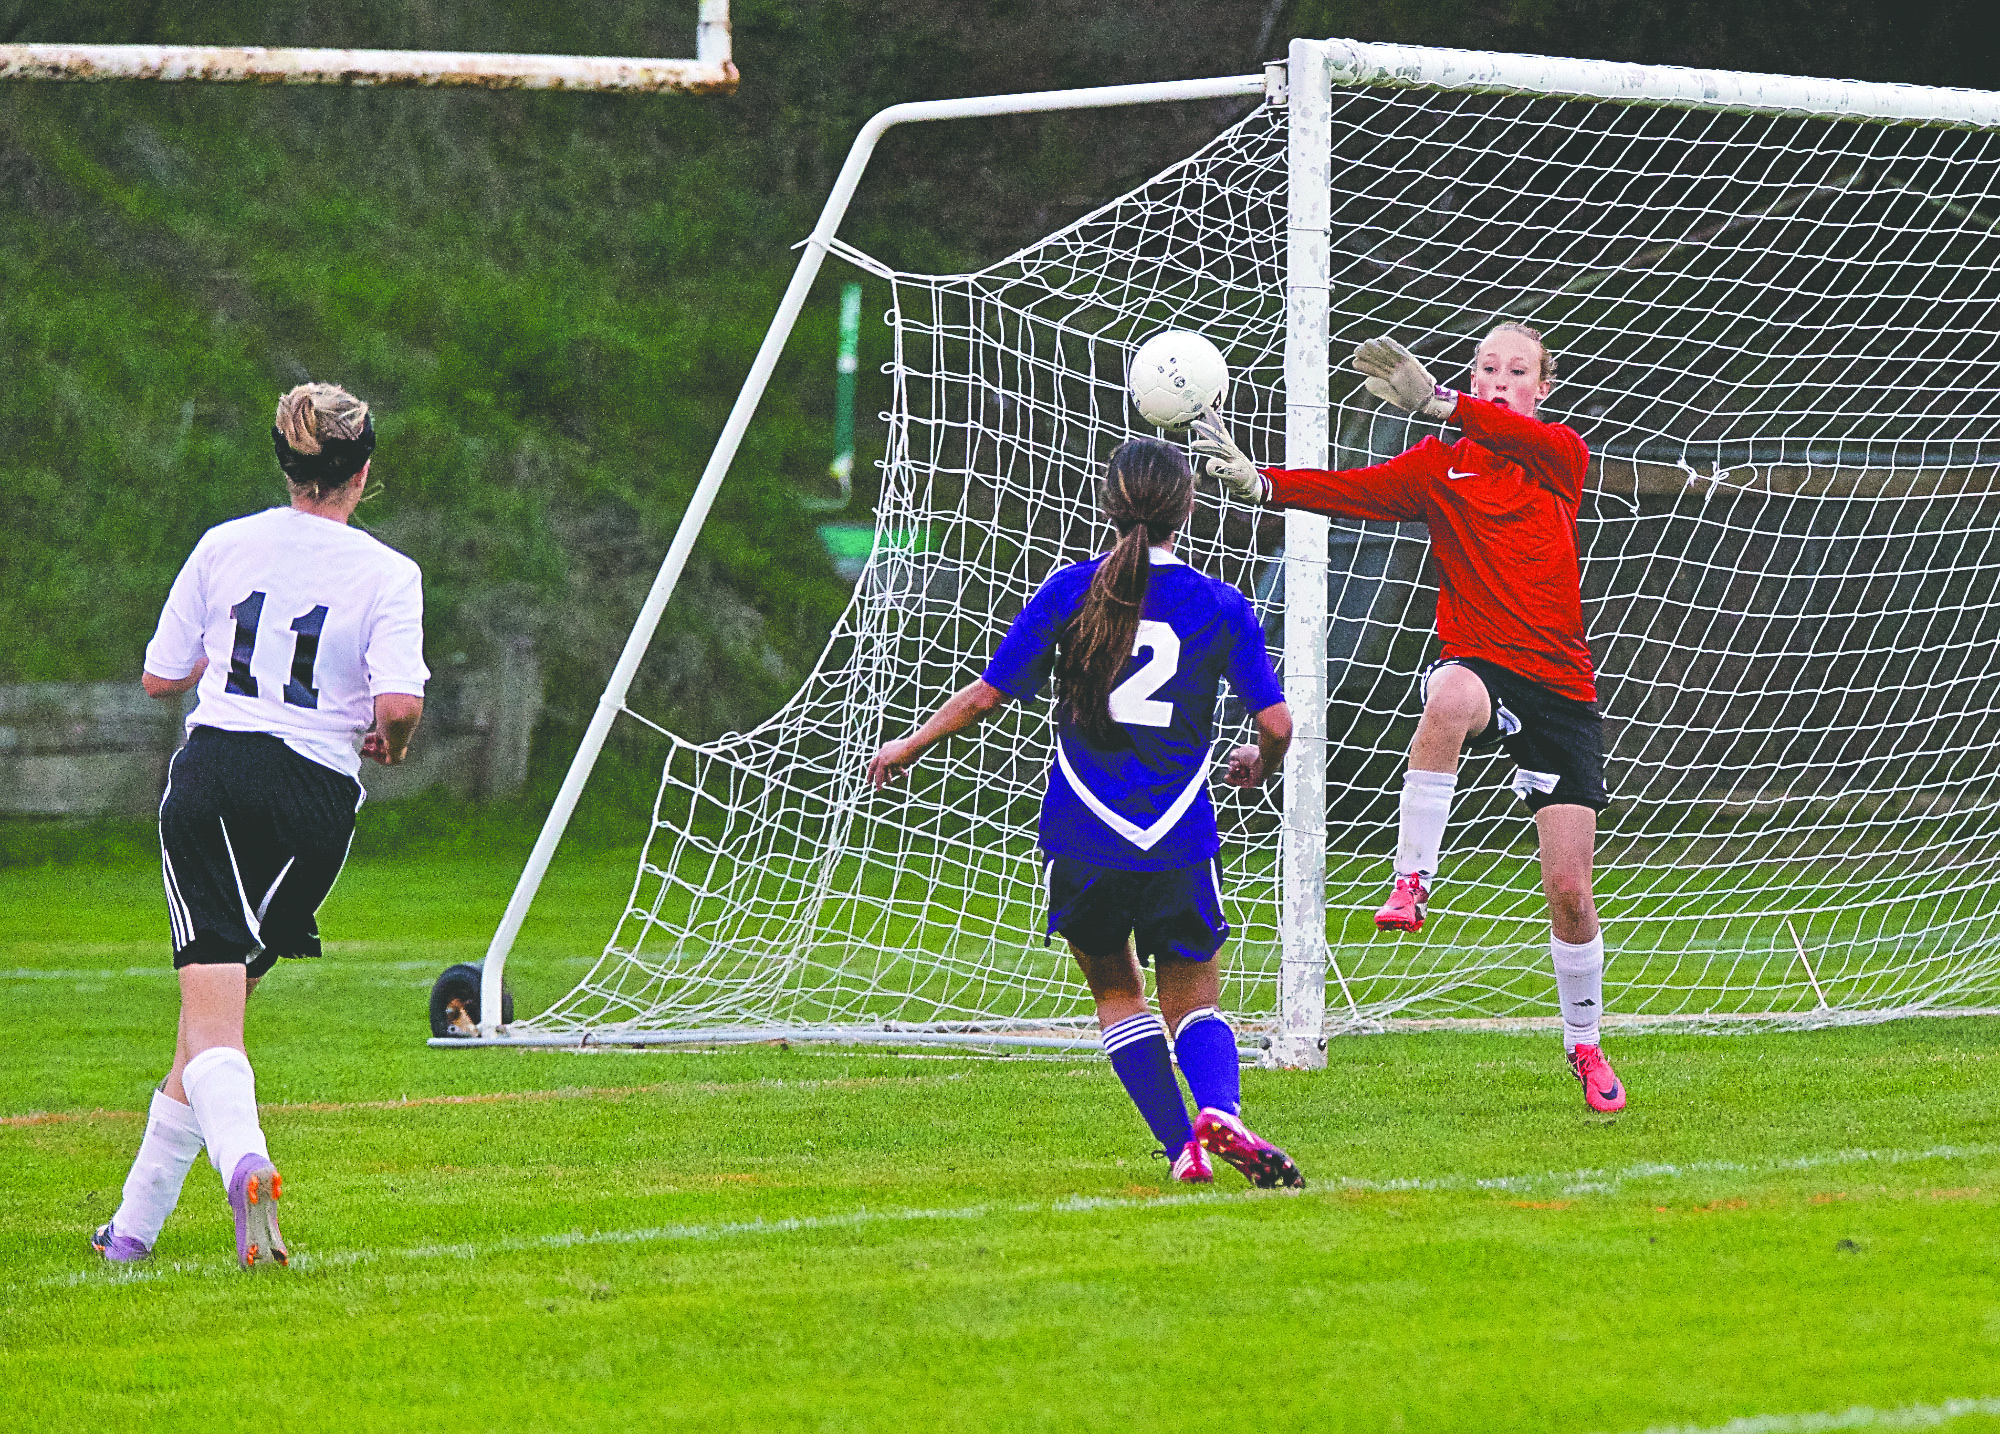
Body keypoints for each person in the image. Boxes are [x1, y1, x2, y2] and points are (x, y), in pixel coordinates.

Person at [1190, 325, 1627, 1114]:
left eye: (1516, 370)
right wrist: (1266, 485)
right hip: (1482, 668)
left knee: (1569, 889)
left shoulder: (1558, 452)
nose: (1499, 380)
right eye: (1486, 367)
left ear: (1542, 388)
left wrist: (1444, 401)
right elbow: (1350, 490)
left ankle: (1584, 1042)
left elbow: (1505, 432)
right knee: (1450, 693)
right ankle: (1410, 881)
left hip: (1560, 689)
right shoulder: (1439, 464)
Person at [868, 437, 1304, 1186]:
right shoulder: (1221, 605)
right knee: (1194, 998)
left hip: (1084, 835)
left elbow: (986, 695)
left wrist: (907, 746)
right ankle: (1221, 1110)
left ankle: (1183, 1151)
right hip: (1176, 836)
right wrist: (1258, 767)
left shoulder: (1070, 591)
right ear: (1188, 510)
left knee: (1116, 992)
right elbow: (1279, 724)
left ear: (1109, 504)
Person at [92, 382, 429, 1268]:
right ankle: (131, 1230)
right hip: (314, 804)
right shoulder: (391, 572)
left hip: (216, 780)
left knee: (211, 1023)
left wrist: (219, 648)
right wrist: (389, 743)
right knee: (211, 1017)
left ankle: (245, 1159)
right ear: (362, 473)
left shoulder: (224, 545)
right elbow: (397, 702)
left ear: (287, 465)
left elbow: (161, 678)